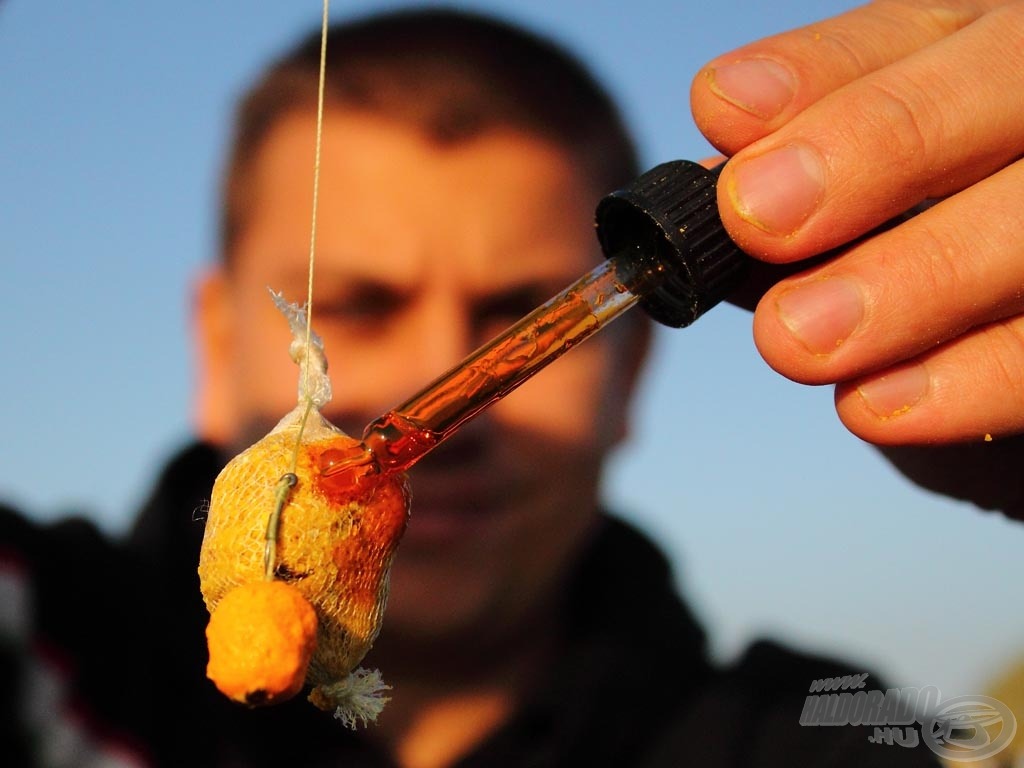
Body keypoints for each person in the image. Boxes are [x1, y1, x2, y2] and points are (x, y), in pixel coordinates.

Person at [2, 4, 1020, 766]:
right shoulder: (42, 641)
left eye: (512, 310)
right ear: (210, 341)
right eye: (355, 304)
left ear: (635, 371)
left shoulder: (831, 739)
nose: (427, 386)